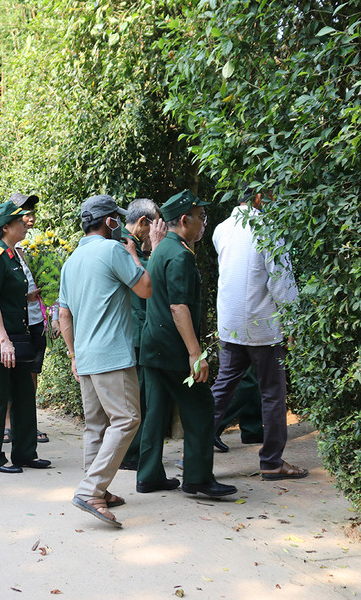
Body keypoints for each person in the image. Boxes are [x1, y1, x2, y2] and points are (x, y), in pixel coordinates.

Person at [58, 195, 151, 527]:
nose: (120, 225)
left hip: (85, 356)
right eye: (117, 219)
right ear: (109, 221)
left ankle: (98, 486)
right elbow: (145, 289)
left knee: (97, 425)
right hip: (112, 355)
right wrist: (134, 254)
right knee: (127, 419)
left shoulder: (71, 261)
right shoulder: (113, 251)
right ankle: (91, 489)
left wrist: (73, 354)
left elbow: (64, 315)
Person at [138, 190, 237, 498]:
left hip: (153, 345)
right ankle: (197, 478)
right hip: (172, 349)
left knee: (155, 412)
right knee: (202, 406)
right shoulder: (180, 255)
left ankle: (149, 475)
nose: (204, 223)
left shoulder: (162, 249)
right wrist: (196, 353)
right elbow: (178, 307)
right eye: (201, 217)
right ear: (184, 220)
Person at [211, 188, 305, 480]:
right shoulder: (268, 229)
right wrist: (293, 324)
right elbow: (281, 281)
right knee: (273, 393)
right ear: (259, 198)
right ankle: (271, 461)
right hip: (262, 326)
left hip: (230, 324)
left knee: (222, 387)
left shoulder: (221, 229)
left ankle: (195, 450)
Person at [0, 201, 50, 473]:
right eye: (20, 221)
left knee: (24, 394)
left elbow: (7, 294)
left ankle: (25, 453)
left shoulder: (13, 255)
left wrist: (26, 298)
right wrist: (4, 341)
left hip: (17, 336)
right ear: (5, 227)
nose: (26, 223)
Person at [118, 198, 166, 470]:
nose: (156, 231)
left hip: (138, 330)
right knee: (139, 398)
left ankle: (134, 453)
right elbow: (147, 281)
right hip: (135, 332)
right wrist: (156, 248)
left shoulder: (133, 245)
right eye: (154, 225)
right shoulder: (125, 245)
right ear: (142, 222)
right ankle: (131, 454)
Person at [5, 192, 49, 444]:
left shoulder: (29, 248)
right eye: (25, 214)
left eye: (32, 214)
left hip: (35, 320)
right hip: (14, 324)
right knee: (11, 373)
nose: (31, 219)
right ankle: (8, 423)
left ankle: (28, 422)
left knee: (32, 371)